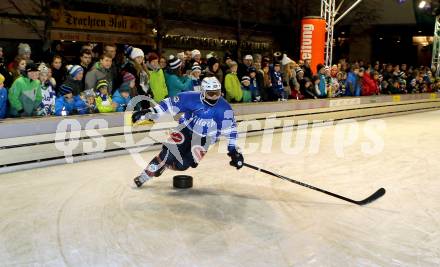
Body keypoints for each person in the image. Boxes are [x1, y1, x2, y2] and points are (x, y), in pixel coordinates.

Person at [131, 76, 244, 187]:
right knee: (167, 156)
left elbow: (231, 130)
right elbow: (169, 104)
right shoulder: (190, 98)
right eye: (210, 93)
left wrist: (234, 151)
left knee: (182, 165)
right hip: (185, 130)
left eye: (217, 93)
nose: (214, 97)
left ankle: (165, 165)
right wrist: (149, 112)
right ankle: (146, 174)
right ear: (203, 92)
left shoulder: (225, 108)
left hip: (205, 139)